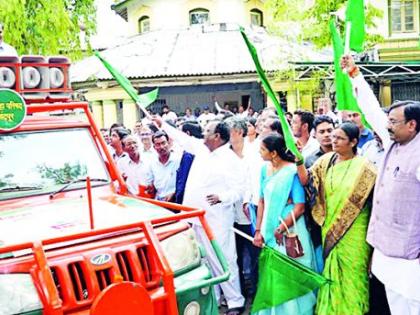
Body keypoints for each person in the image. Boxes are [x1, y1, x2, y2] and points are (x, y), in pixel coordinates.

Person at [342, 54, 420, 315]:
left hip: (413, 256)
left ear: (412, 125)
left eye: (393, 122)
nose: (386, 126)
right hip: (387, 250)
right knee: (396, 303)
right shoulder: (392, 144)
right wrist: (354, 74)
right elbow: (372, 111)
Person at [156, 117, 246, 314]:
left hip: (217, 219)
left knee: (224, 259)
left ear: (216, 137)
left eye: (207, 130)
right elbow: (182, 138)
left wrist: (221, 197)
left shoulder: (230, 160)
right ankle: (214, 298)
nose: (203, 133)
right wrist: (161, 124)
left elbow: (239, 190)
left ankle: (235, 301)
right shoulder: (202, 149)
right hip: (194, 217)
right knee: (202, 260)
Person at [296, 122, 377, 315]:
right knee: (331, 272)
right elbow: (306, 180)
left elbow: (374, 205)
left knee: (354, 273)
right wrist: (299, 161)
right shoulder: (326, 161)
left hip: (355, 230)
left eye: (339, 138)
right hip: (330, 226)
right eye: (333, 136)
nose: (334, 141)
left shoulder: (367, 169)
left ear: (353, 142)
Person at [253, 133, 317, 315]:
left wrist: (281, 227)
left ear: (274, 153)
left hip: (290, 232)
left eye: (262, 149)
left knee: (288, 276)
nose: (259, 152)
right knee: (273, 276)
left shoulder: (292, 173)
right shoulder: (264, 170)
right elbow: (262, 201)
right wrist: (258, 230)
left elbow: (299, 207)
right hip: (269, 230)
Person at [226, 117, 259, 301]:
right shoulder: (224, 154)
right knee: (234, 256)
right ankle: (239, 292)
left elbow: (254, 181)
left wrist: (247, 199)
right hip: (230, 215)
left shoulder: (254, 152)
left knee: (255, 256)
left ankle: (255, 291)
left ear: (238, 132)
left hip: (251, 213)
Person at [149, 131, 181, 202]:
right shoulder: (152, 163)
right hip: (160, 202)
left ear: (168, 143)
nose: (161, 147)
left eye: (163, 143)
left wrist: (174, 193)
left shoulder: (178, 160)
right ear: (154, 147)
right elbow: (151, 185)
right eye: (158, 144)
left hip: (176, 201)